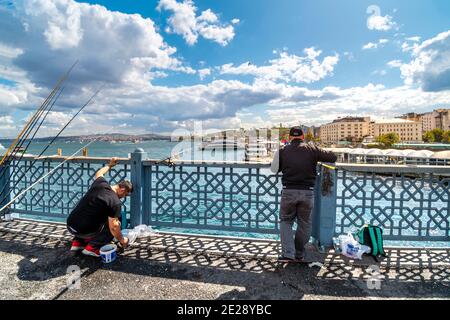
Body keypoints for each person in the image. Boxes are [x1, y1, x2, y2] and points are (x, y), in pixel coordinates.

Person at [271, 126, 337, 262]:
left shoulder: (283, 151)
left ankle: (288, 254)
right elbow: (332, 157)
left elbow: (274, 169)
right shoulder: (312, 149)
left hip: (289, 191)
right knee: (305, 223)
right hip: (308, 192)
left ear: (290, 138)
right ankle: (299, 253)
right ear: (302, 137)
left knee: (286, 221)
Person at [66, 157, 132, 257]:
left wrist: (110, 165)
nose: (124, 197)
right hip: (84, 230)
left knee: (88, 212)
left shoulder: (101, 184)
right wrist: (123, 240)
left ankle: (78, 243)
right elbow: (114, 228)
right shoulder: (115, 202)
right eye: (126, 195)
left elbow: (99, 173)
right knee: (115, 223)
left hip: (71, 225)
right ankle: (92, 248)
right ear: (122, 189)